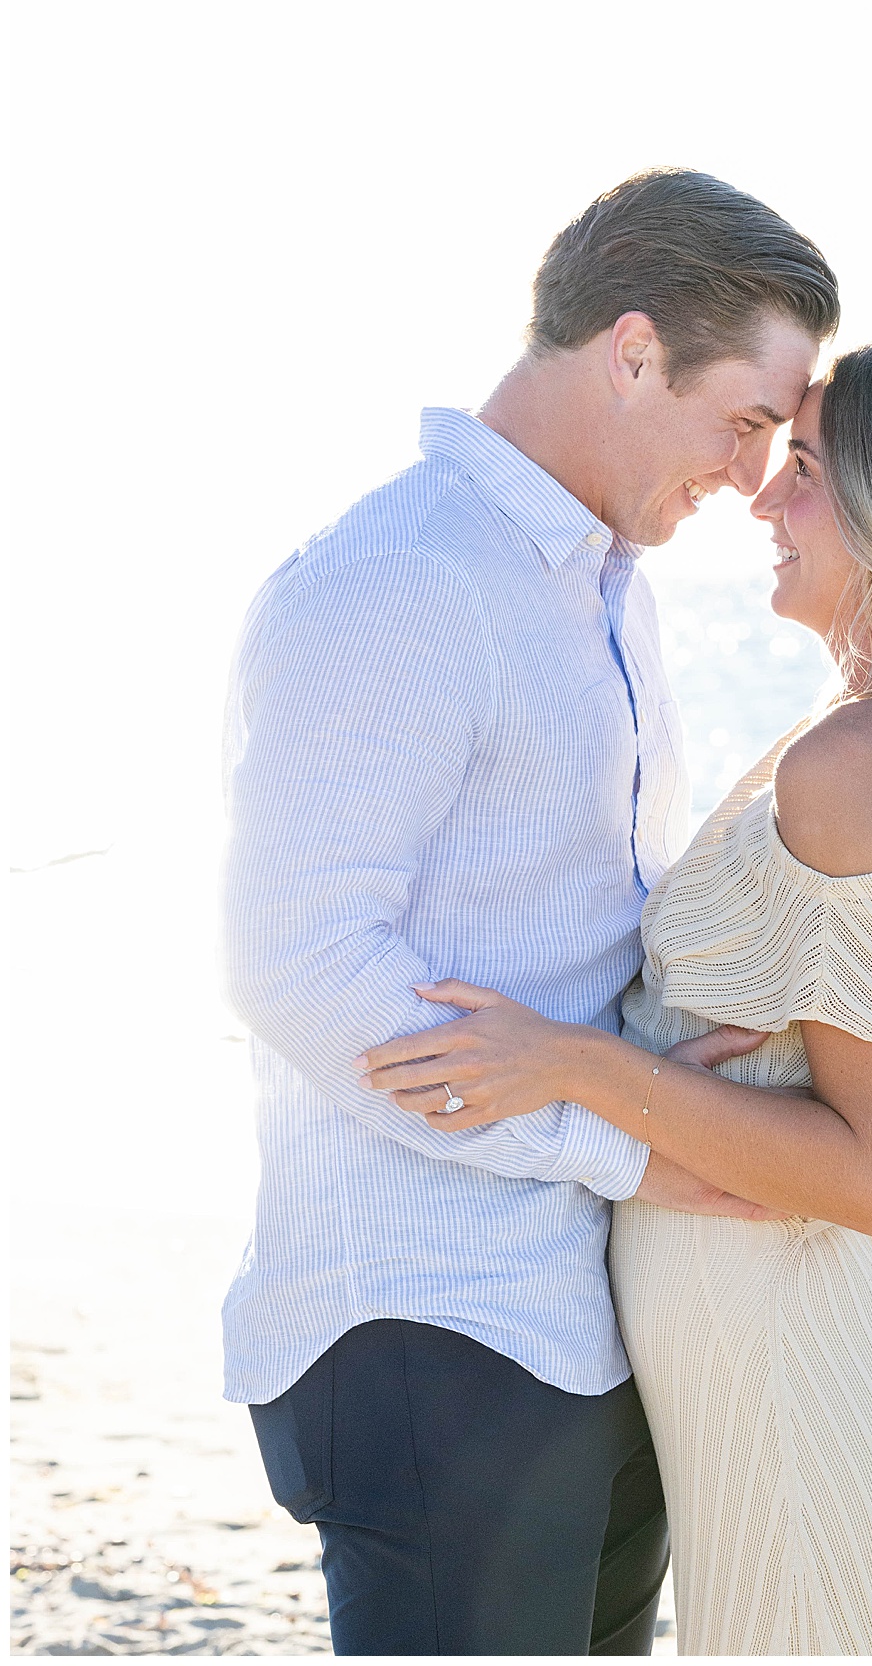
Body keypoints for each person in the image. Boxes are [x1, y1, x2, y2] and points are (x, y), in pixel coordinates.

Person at [359, 343, 872, 1656]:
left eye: (807, 470)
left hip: (806, 1410)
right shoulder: (867, 738)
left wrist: (570, 1064)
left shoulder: (865, 762)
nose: (761, 499)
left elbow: (868, 1173)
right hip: (774, 1401)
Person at [220, 168, 839, 1656]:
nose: (757, 473)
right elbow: (296, 966)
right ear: (633, 352)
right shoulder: (403, 579)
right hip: (430, 1317)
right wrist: (621, 1144)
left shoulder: (596, 582)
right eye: (746, 418)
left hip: (576, 1305)